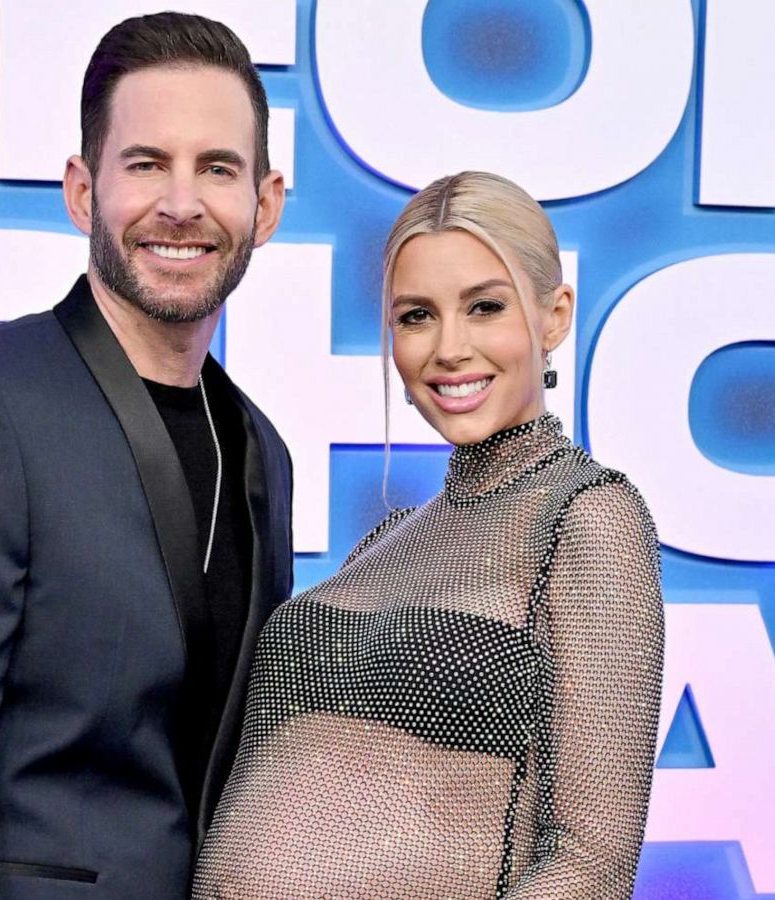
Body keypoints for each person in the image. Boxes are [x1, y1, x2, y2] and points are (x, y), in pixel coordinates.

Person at [0, 13, 292, 899]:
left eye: (217, 168)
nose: (182, 203)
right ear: (83, 191)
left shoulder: (260, 448)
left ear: (264, 206)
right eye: (147, 163)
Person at [194, 171, 665, 899]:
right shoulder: (389, 537)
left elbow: (590, 865)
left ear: (555, 315)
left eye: (484, 307)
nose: (449, 348)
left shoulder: (588, 516)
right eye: (416, 316)